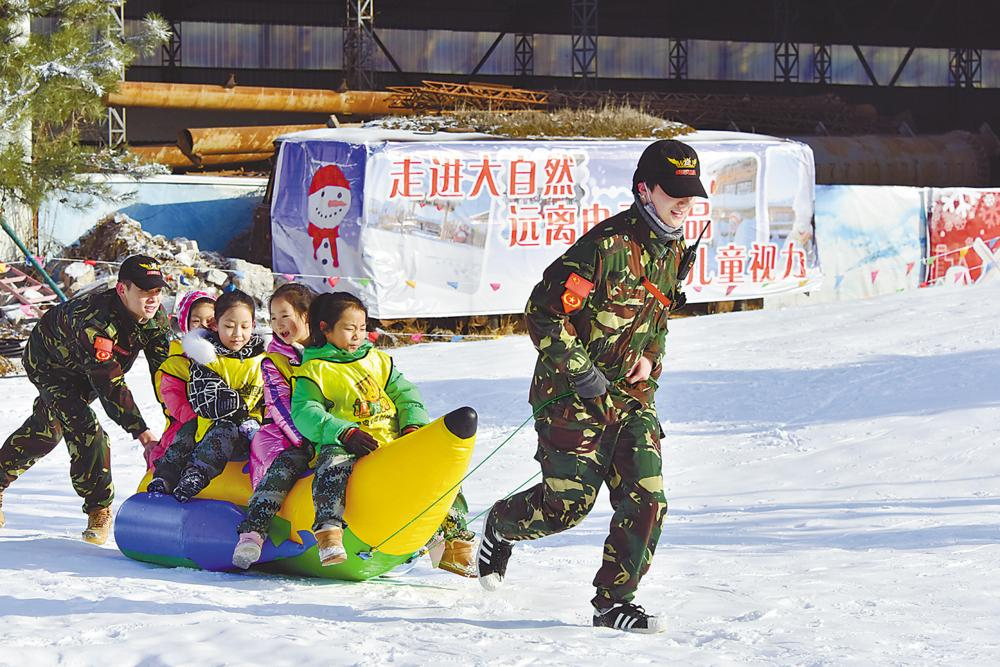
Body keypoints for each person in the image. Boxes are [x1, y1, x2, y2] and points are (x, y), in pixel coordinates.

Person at [475, 139, 707, 634]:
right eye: (673, 193)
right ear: (645, 190)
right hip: (571, 396)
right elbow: (542, 312)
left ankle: (613, 602)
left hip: (630, 395)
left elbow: (659, 312)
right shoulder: (605, 247)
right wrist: (581, 370)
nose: (684, 203)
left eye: (690, 194)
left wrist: (651, 359)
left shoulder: (674, 247)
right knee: (565, 509)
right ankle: (500, 524)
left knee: (647, 499)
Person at [290, 292, 476, 573]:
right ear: (326, 328)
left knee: (441, 474)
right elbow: (305, 411)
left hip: (390, 439)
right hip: (346, 441)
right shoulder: (315, 370)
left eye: (362, 328)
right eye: (349, 329)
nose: (357, 336)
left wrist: (412, 424)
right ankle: (328, 530)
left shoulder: (378, 361)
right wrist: (343, 432)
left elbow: (406, 395)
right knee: (333, 466)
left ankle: (455, 542)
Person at [0, 254, 171, 544]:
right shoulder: (96, 322)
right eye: (144, 291)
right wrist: (143, 434)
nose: (152, 299)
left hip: (87, 367)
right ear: (122, 289)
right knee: (84, 427)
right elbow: (110, 385)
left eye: (157, 291)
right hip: (51, 365)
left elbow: (166, 375)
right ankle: (98, 509)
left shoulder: (155, 318)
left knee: (47, 430)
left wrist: (179, 419)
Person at [147, 289, 265, 502]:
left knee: (224, 429)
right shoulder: (200, 359)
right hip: (199, 421)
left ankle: (196, 474)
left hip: (243, 431)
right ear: (217, 325)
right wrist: (237, 413)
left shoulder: (262, 362)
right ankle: (166, 476)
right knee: (186, 431)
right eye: (229, 326)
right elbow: (196, 399)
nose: (237, 333)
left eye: (245, 327)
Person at [231, 282, 317, 569]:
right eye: (274, 318)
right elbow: (279, 404)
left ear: (307, 316)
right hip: (285, 433)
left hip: (327, 428)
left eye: (285, 315)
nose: (279, 324)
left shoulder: (326, 352)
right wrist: (305, 440)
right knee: (287, 463)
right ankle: (253, 531)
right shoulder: (275, 360)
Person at [146, 290, 217, 469]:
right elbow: (176, 405)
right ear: (186, 324)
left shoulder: (228, 358)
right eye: (196, 321)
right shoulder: (175, 364)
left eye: (211, 320)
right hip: (186, 426)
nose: (204, 326)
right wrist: (204, 423)